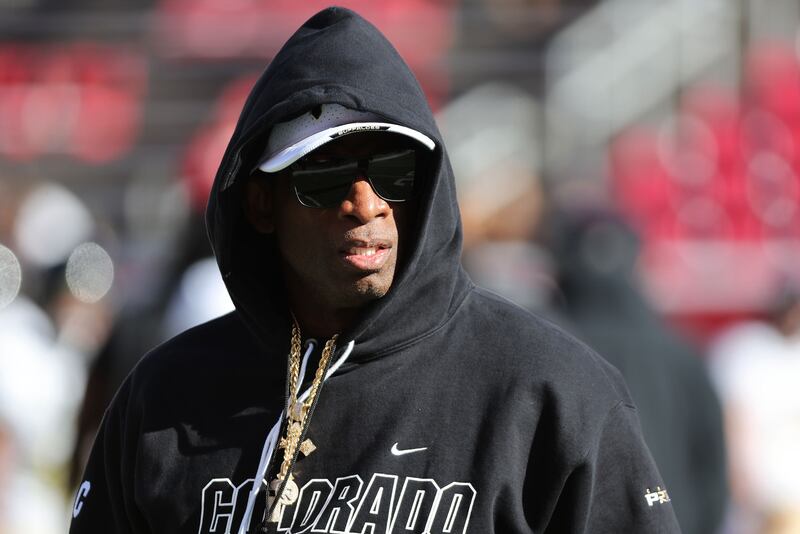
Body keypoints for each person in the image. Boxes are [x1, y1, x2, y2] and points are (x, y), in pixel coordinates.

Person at [69, 7, 680, 533]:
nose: (366, 205)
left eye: (394, 173)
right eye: (325, 175)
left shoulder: (549, 392)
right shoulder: (165, 396)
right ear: (260, 203)